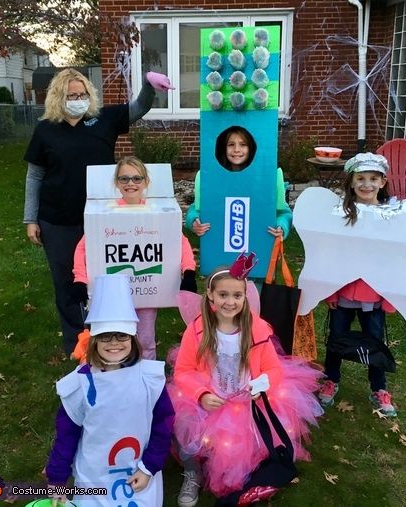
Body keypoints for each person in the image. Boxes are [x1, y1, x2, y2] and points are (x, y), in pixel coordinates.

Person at [23, 68, 174, 354]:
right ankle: (77, 343)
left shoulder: (103, 119)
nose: (77, 99)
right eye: (71, 95)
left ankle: (111, 338)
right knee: (67, 281)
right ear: (58, 97)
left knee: (106, 279)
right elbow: (35, 175)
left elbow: (139, 107)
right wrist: (30, 218)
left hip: (104, 218)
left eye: (82, 94)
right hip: (58, 219)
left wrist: (149, 85)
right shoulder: (46, 130)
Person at [169, 255, 323, 506]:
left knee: (243, 448)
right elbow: (184, 370)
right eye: (223, 295)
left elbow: (273, 368)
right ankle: (193, 472)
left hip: (247, 403)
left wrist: (261, 384)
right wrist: (200, 394)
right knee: (183, 428)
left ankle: (244, 471)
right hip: (209, 400)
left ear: (245, 297)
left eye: (237, 296)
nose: (230, 302)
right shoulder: (197, 330)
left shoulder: (257, 329)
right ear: (210, 295)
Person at [45, 274, 174, 507]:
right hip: (94, 478)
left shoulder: (150, 380)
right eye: (105, 336)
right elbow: (66, 435)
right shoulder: (79, 385)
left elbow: (163, 427)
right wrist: (58, 478)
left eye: (121, 335)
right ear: (93, 341)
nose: (114, 343)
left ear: (133, 339)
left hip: (139, 474)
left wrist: (149, 467)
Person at [71, 155, 198, 360]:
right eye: (124, 179)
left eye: (137, 178)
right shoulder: (104, 214)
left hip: (147, 290)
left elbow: (179, 241)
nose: (131, 183)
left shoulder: (158, 213)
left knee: (146, 338)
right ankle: (118, 374)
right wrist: (80, 279)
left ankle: (147, 378)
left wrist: (189, 271)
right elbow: (84, 248)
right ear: (116, 183)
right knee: (116, 337)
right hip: (114, 293)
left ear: (146, 182)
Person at [318, 152, 406, 417]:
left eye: (373, 178)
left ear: (383, 182)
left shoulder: (390, 216)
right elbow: (331, 255)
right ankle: (331, 380)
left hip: (375, 294)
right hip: (344, 291)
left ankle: (378, 387)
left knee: (375, 341)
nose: (366, 184)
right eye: (360, 178)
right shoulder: (341, 214)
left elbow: (396, 260)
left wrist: (391, 296)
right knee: (336, 339)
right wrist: (330, 290)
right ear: (351, 182)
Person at [185, 125, 292, 239]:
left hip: (257, 243)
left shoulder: (265, 178)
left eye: (243, 144)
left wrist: (281, 226)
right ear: (224, 148)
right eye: (231, 144)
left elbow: (284, 213)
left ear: (251, 148)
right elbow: (196, 208)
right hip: (219, 242)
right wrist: (194, 221)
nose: (236, 150)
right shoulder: (213, 178)